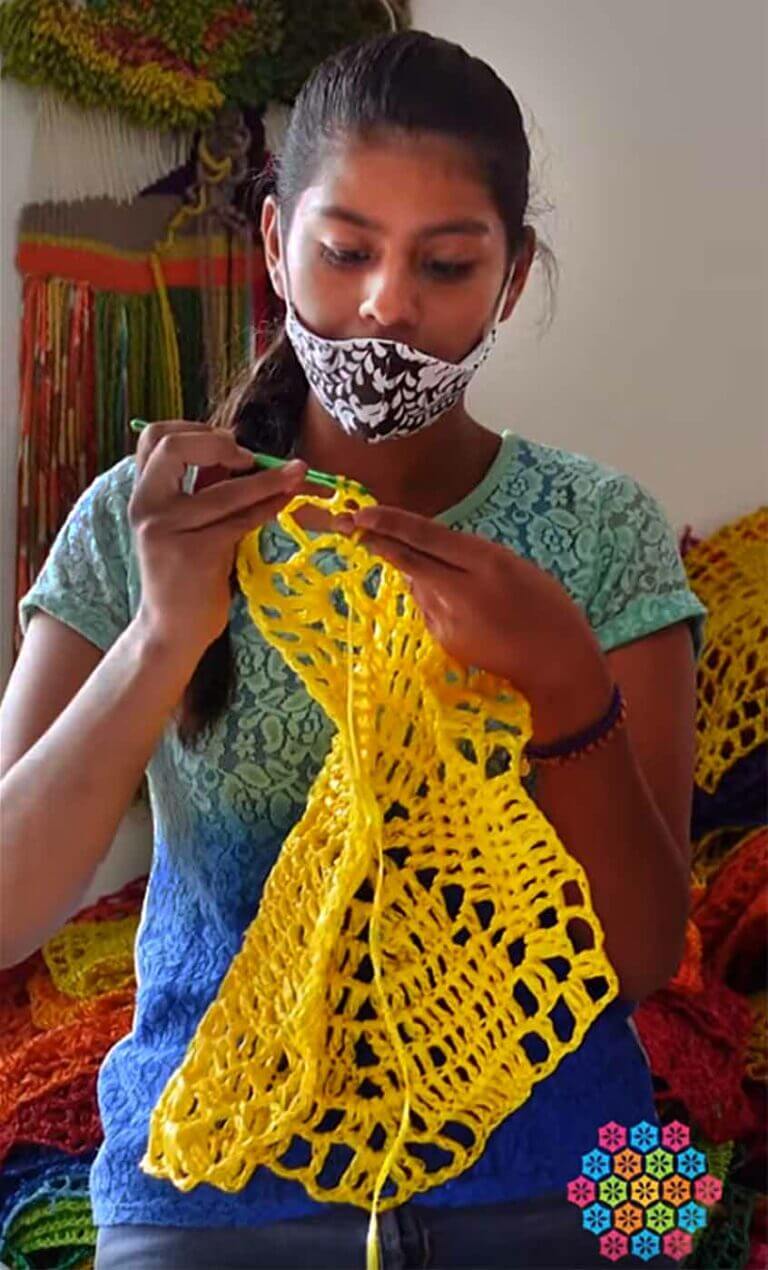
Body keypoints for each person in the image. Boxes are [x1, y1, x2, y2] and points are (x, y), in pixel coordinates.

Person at [0, 29, 708, 1270]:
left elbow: (645, 958)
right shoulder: (147, 513)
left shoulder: (602, 531)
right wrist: (167, 632)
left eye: (446, 264)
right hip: (205, 1180)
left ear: (511, 277)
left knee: (682, 1224)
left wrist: (563, 684)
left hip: (592, 1166)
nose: (387, 304)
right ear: (275, 245)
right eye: (345, 252)